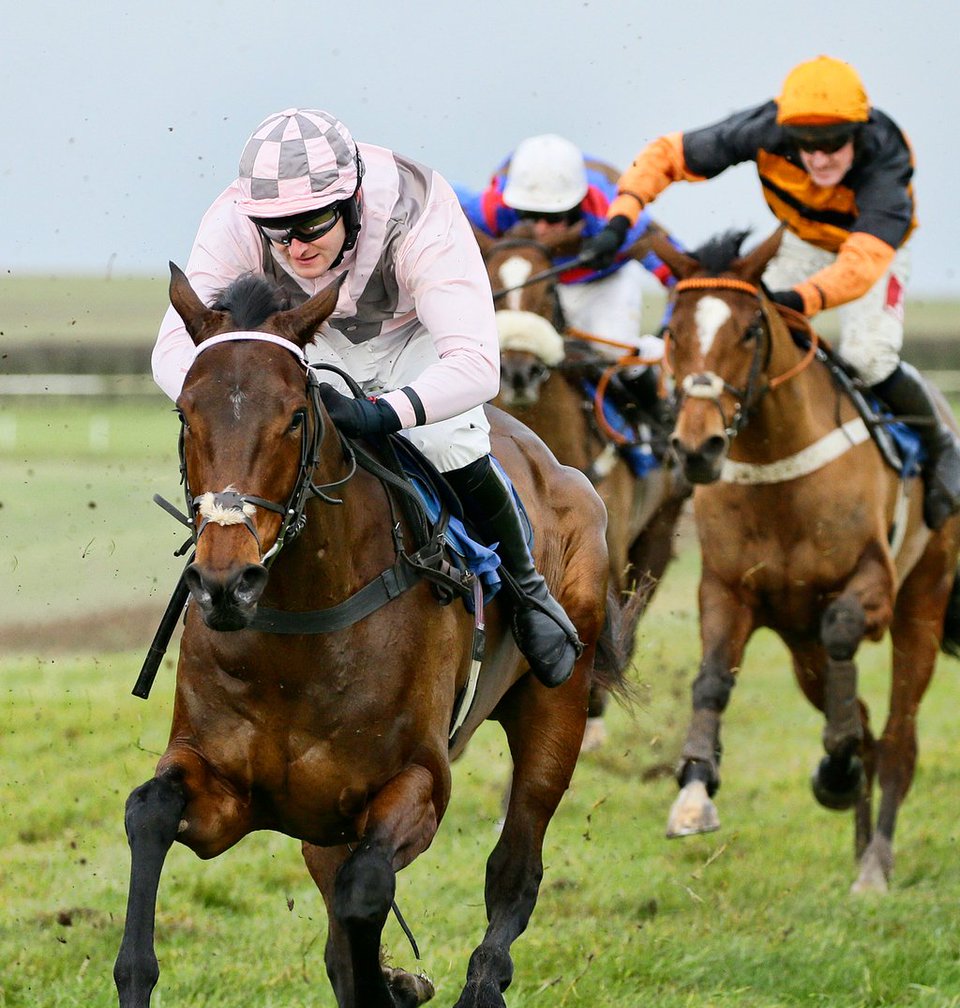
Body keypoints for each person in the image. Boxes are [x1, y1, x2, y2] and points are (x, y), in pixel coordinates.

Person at [152, 108, 580, 687]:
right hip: (308, 336)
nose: (294, 247)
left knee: (448, 438)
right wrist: (237, 403)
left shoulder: (418, 209)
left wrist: (381, 412)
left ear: (352, 200)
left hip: (415, 335)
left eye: (313, 224)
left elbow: (478, 364)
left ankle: (529, 593)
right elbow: (176, 351)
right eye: (277, 231)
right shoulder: (236, 218)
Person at [582, 55, 960, 530]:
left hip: (870, 253)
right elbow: (666, 154)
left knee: (868, 358)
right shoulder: (763, 128)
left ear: (858, 132)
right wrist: (621, 217)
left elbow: (860, 266)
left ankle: (941, 445)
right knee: (741, 341)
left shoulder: (887, 162)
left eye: (833, 145)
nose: (818, 159)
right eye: (806, 145)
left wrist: (800, 301)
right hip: (799, 242)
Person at [455, 134, 683, 415]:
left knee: (614, 351)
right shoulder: (490, 210)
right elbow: (440, 195)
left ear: (578, 206)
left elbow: (680, 274)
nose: (540, 229)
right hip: (529, 287)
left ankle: (655, 426)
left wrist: (665, 333)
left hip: (598, 283)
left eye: (553, 217)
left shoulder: (614, 219)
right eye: (527, 214)